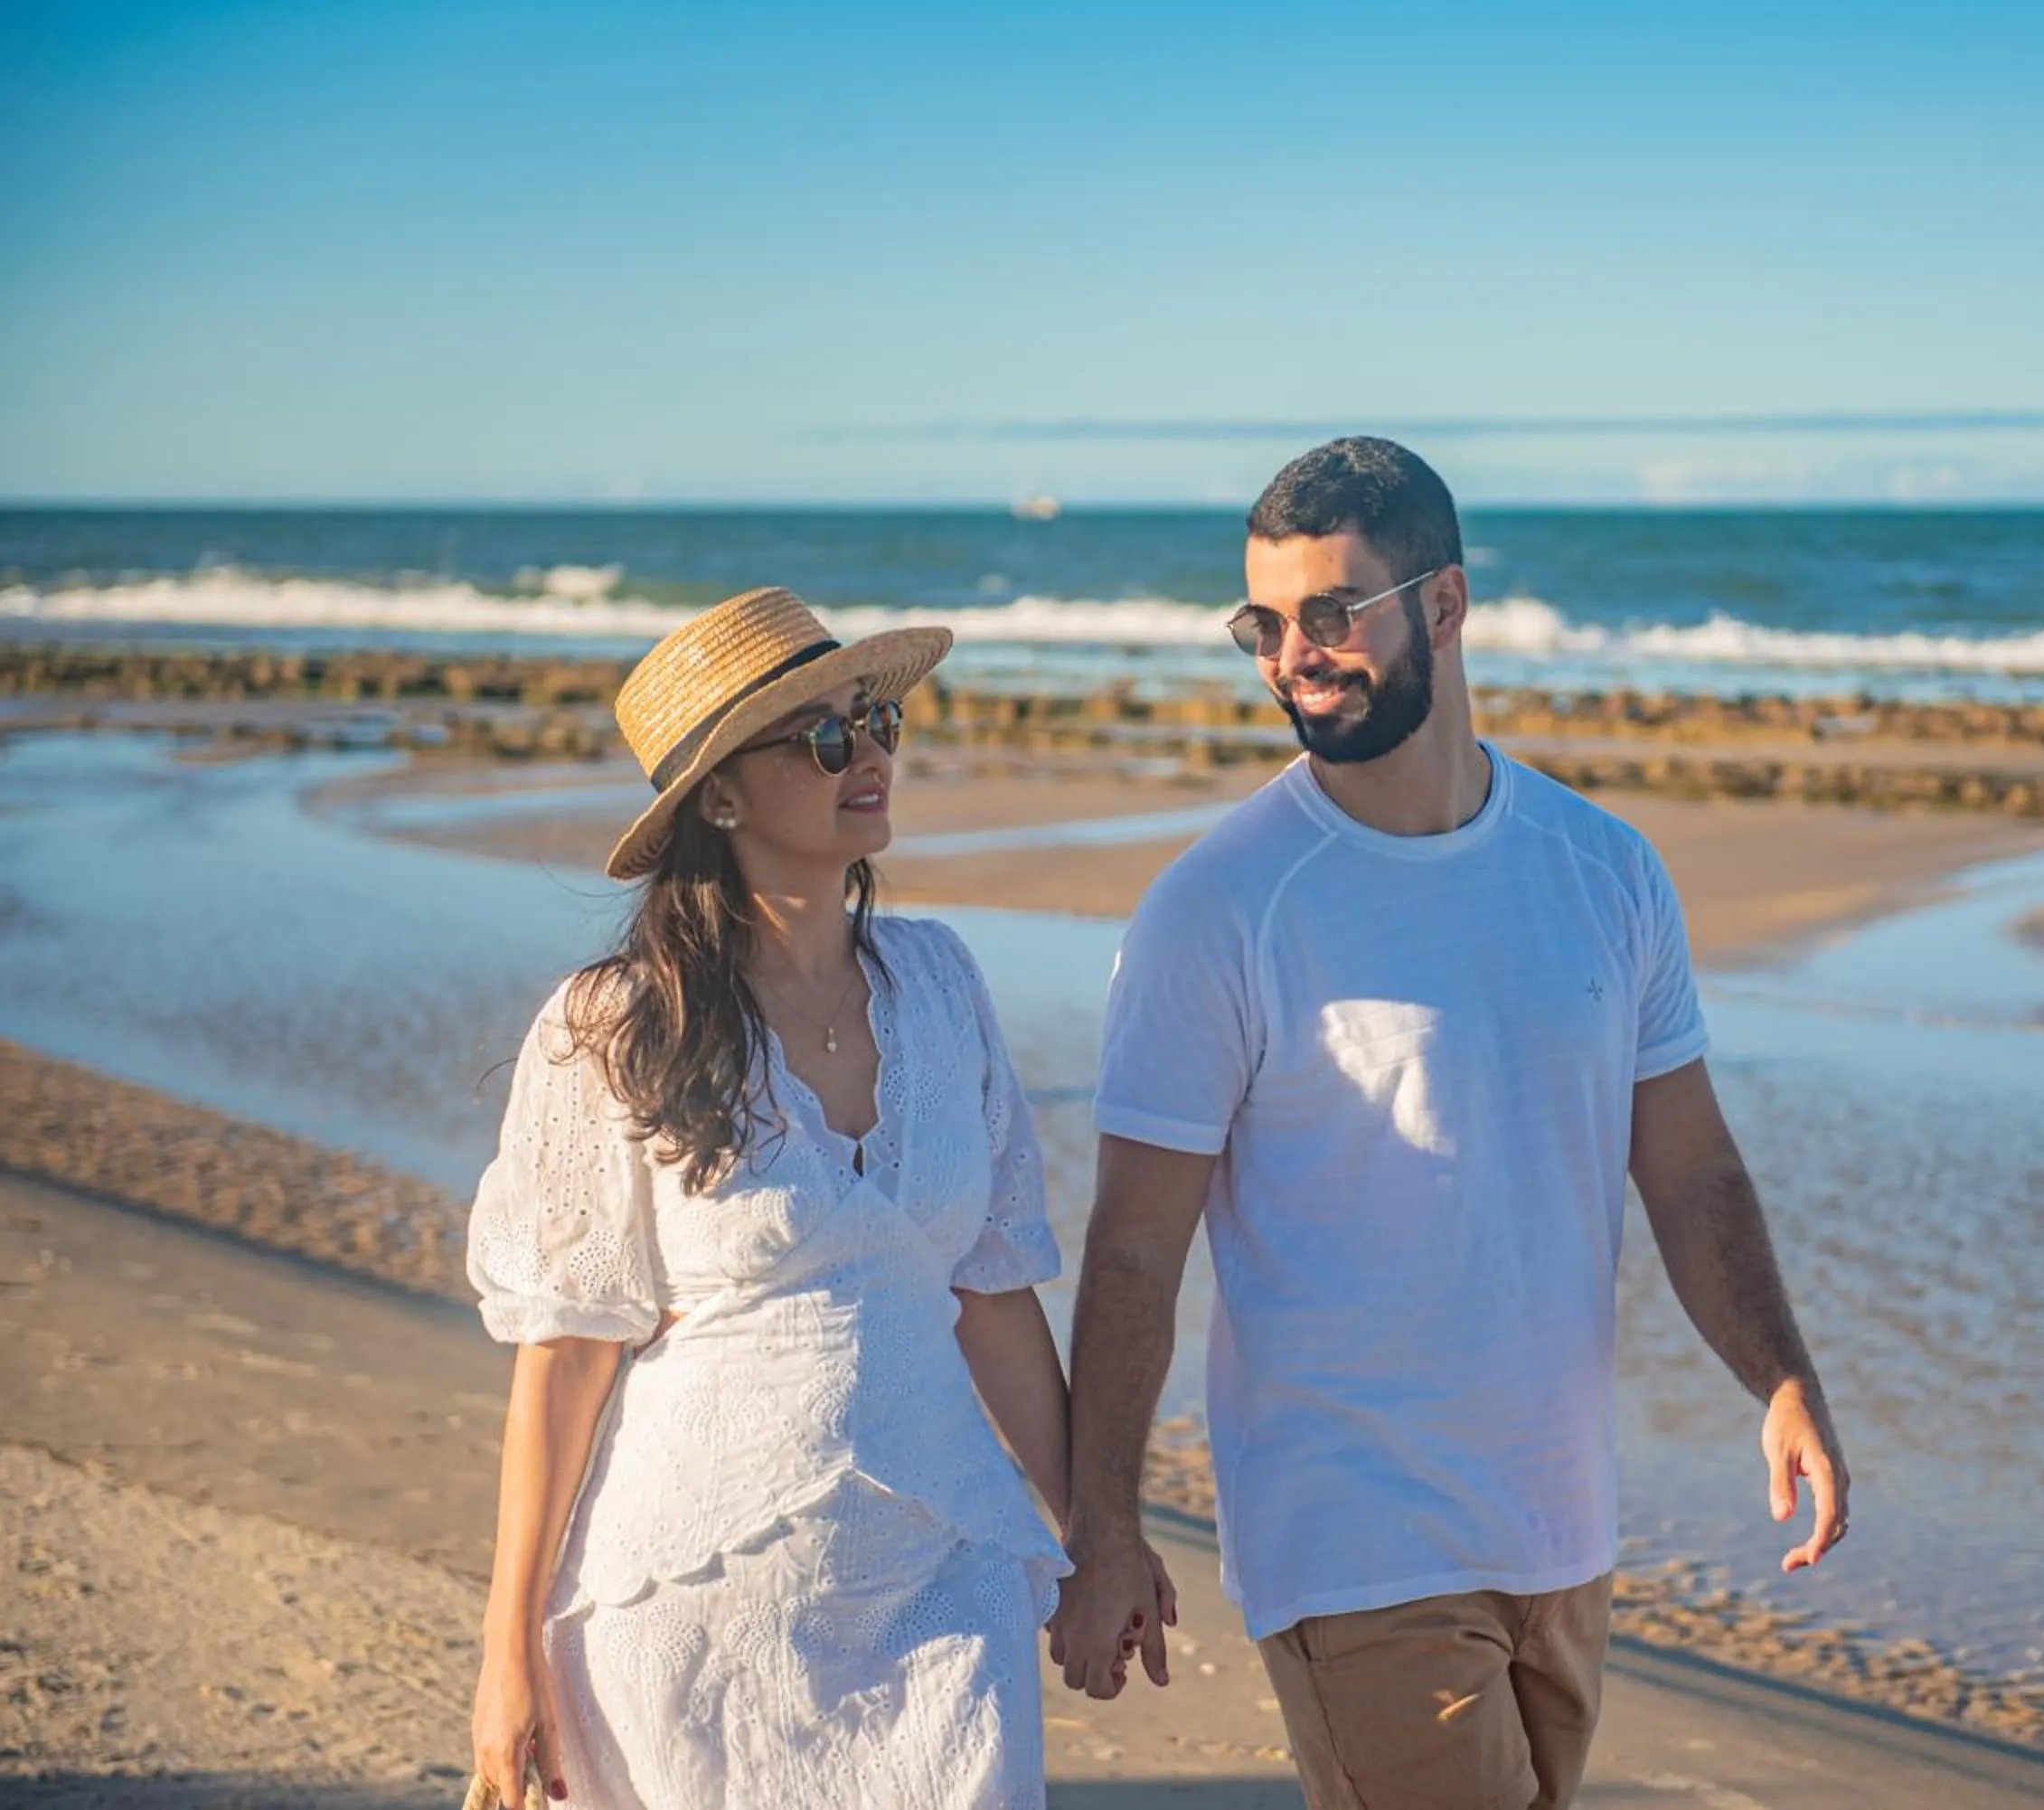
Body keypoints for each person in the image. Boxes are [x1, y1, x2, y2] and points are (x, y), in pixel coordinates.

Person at [1048, 439, 1851, 1808]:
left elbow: (1693, 1166)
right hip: (1354, 1538)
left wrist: (1780, 1378)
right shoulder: (1222, 905)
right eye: (1264, 624)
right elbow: (1134, 1250)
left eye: (1329, 612)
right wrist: (1102, 1527)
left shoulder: (1601, 867)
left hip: (1561, 1529)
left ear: (1445, 602)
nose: (1292, 654)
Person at [464, 587, 1123, 1810]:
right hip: (696, 1608)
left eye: (875, 719)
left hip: (945, 1579)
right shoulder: (610, 1027)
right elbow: (562, 1356)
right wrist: (505, 1654)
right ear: (718, 796)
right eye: (824, 736)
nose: (868, 752)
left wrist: (1097, 1533)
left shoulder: (939, 983)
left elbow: (992, 1291)